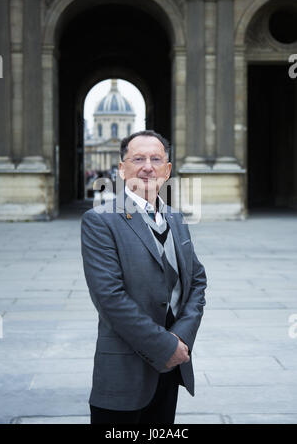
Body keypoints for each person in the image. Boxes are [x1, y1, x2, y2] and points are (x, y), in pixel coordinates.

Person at [81, 130, 207, 424]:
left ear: (167, 170)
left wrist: (180, 339)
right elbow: (110, 298)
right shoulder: (101, 220)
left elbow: (197, 282)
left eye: (156, 158)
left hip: (173, 366)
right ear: (122, 170)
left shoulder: (176, 218)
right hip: (124, 373)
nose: (148, 166)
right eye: (138, 158)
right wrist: (166, 347)